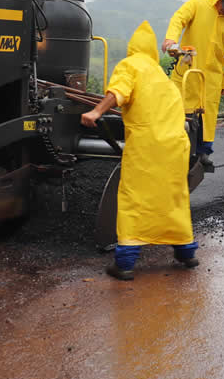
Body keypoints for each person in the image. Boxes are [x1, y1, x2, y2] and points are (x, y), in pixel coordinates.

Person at [82, 21, 197, 280]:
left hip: (148, 145)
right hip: (176, 144)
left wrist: (96, 111)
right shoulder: (159, 74)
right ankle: (186, 253)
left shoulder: (130, 64)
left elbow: (119, 91)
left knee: (135, 197)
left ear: (133, 49)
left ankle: (124, 264)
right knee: (173, 197)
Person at [163, 0, 224, 171]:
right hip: (186, 69)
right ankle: (174, 149)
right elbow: (179, 18)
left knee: (207, 114)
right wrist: (170, 39)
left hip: (212, 76)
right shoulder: (198, 4)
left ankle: (204, 152)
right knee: (180, 109)